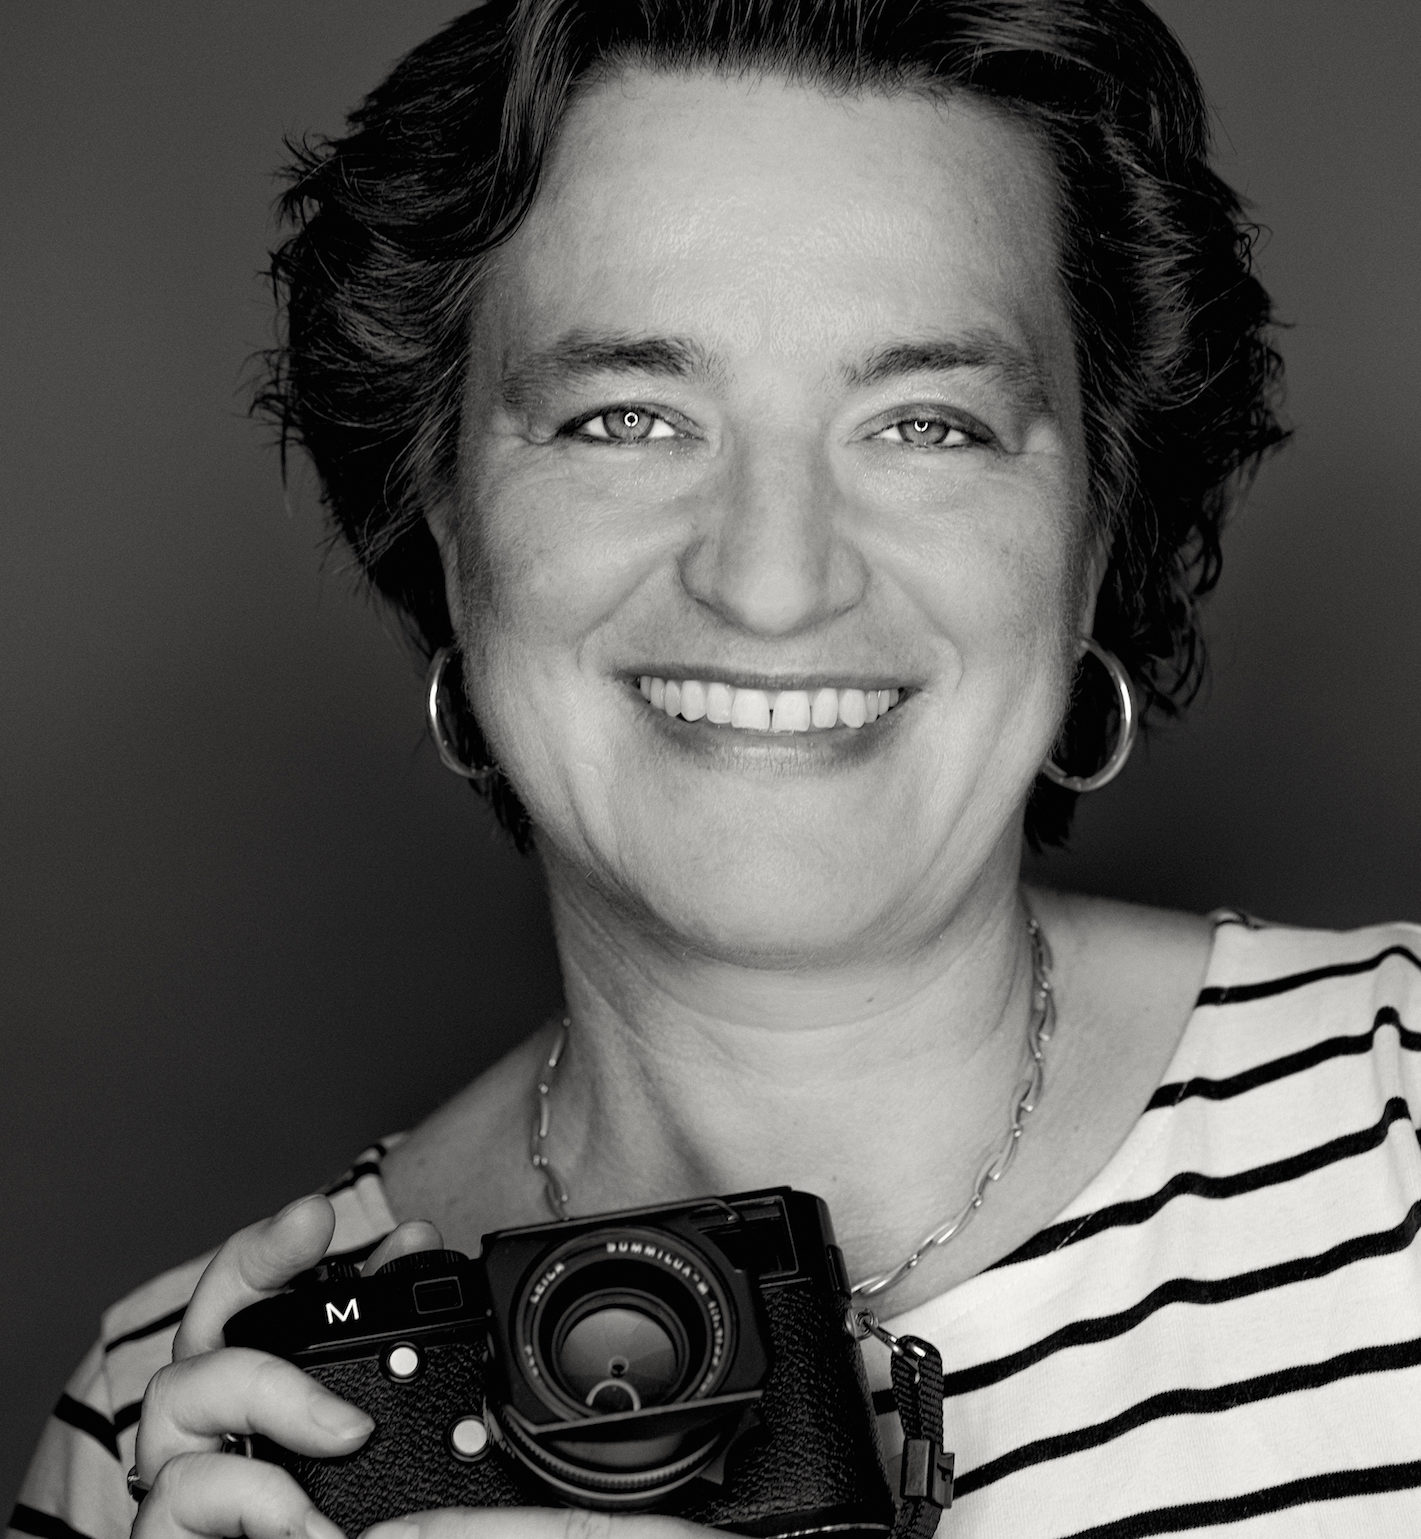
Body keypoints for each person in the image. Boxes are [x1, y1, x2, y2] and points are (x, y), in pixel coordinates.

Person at [12, 1, 1421, 1536]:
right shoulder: (181, 1415)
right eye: (625, 418)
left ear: (1092, 535)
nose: (770, 581)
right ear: (448, 523)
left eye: (927, 425)